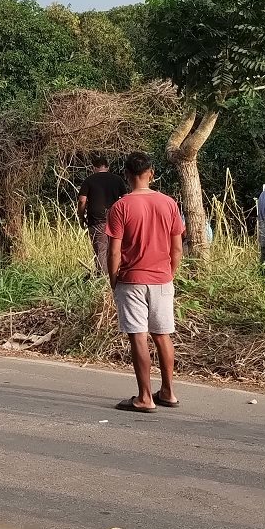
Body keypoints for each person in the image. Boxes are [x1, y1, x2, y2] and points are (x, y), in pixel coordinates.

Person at [105, 152, 185, 413]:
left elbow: (114, 251)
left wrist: (114, 279)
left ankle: (144, 397)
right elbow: (177, 248)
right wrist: (169, 272)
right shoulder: (169, 204)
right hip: (162, 278)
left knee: (138, 336)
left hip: (132, 279)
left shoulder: (121, 207)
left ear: (127, 175)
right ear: (150, 173)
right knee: (162, 335)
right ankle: (168, 392)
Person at [77, 153, 127, 276]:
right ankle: (118, 275)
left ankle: (103, 279)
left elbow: (82, 200)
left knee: (101, 250)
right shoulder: (117, 179)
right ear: (107, 167)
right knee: (116, 249)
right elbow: (126, 199)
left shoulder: (89, 180)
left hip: (96, 220)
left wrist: (81, 216)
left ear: (94, 167)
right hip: (116, 219)